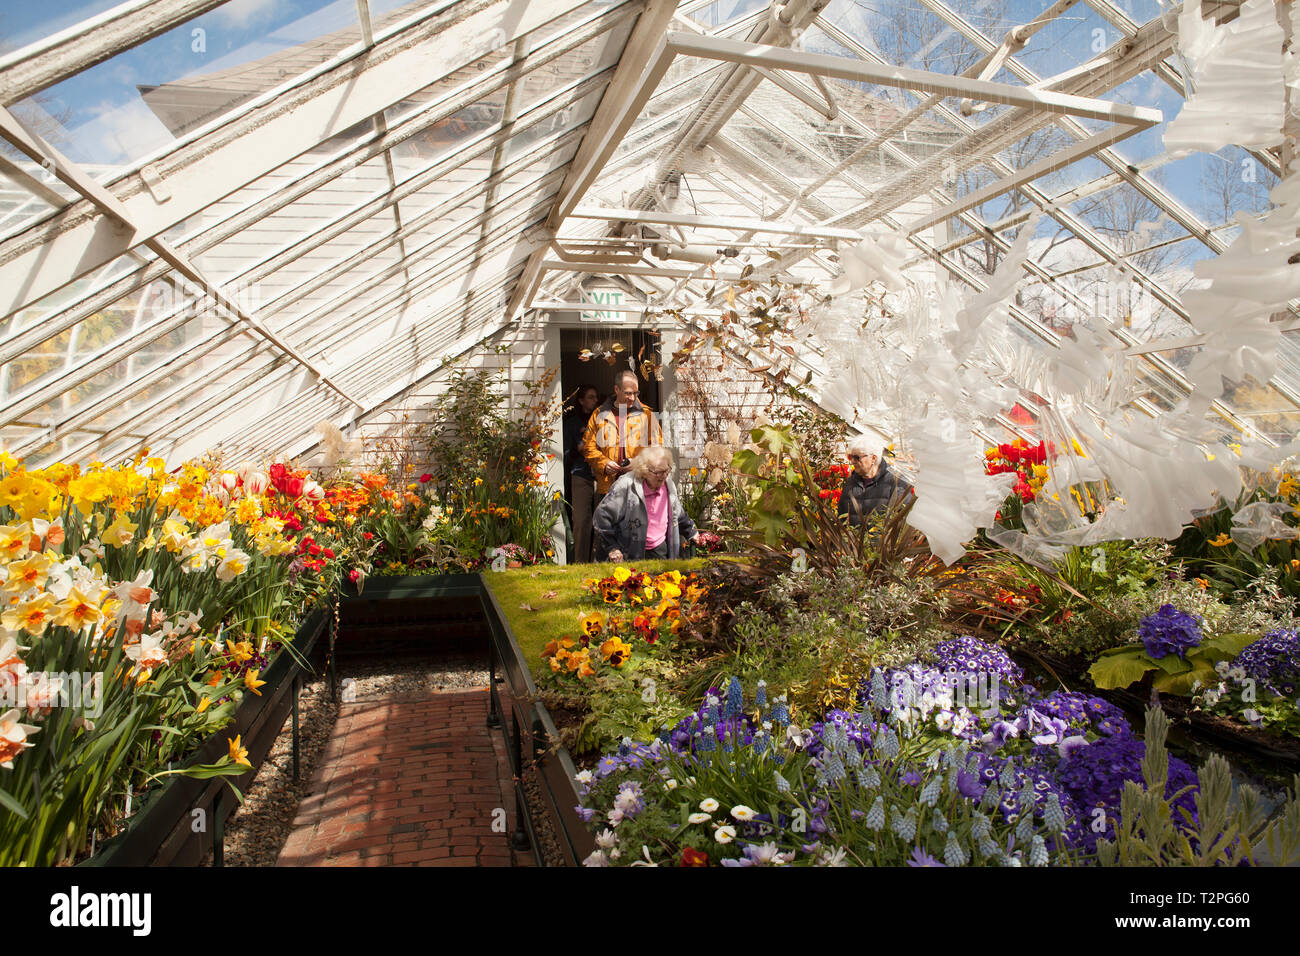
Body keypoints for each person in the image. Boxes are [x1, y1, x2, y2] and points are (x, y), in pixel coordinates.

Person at [594, 446, 701, 562]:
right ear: (644, 471)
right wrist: (612, 548)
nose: (663, 476)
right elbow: (601, 517)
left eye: (666, 471)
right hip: (629, 552)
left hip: (659, 549)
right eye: (658, 473)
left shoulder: (668, 485)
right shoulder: (625, 486)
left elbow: (678, 513)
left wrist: (691, 531)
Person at [582, 369, 663, 503]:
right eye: (628, 393)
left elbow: (657, 448)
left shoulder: (647, 415)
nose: (632, 398)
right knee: (609, 524)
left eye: (636, 393)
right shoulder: (598, 414)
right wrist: (604, 464)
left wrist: (637, 463)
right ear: (616, 389)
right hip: (609, 487)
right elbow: (588, 447)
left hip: (639, 485)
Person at [837, 436, 911, 526]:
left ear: (873, 458)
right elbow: (841, 516)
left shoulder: (896, 482)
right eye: (850, 457)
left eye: (856, 457)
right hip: (850, 539)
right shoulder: (850, 483)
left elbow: (904, 518)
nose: (852, 461)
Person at [563, 384, 600, 563]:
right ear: (581, 401)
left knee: (601, 519)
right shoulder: (572, 423)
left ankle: (597, 560)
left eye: (596, 397)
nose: (595, 400)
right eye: (591, 397)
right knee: (581, 521)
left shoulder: (602, 420)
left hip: (601, 474)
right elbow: (569, 452)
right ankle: (580, 562)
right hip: (580, 473)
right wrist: (581, 447)